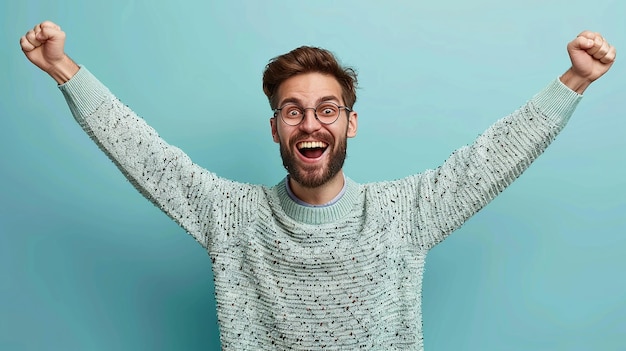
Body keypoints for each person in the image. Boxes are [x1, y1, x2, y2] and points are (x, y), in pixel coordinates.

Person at [20, 20, 615, 351]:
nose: (311, 124)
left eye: (328, 110)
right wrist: (64, 70)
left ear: (350, 123)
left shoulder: (405, 212)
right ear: (276, 127)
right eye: (294, 111)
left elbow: (492, 158)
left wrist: (573, 81)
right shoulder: (230, 215)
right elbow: (143, 152)